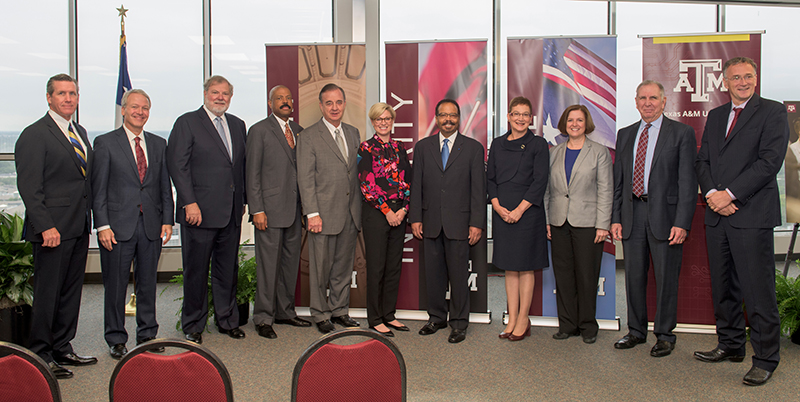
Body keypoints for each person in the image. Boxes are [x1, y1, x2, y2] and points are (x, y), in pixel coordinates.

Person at [694, 57, 789, 386]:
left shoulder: (773, 112)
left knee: (757, 290)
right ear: (726, 81)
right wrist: (712, 195)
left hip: (750, 214)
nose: (743, 82)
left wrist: (729, 195)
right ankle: (731, 344)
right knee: (723, 287)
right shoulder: (717, 115)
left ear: (756, 77)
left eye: (748, 76)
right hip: (717, 215)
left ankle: (765, 358)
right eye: (736, 77)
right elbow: (702, 159)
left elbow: (769, 162)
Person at [15, 73, 96, 379]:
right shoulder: (35, 134)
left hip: (77, 226)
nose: (68, 99)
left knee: (70, 292)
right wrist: (45, 226)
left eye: (73, 93)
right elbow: (30, 187)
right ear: (49, 97)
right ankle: (40, 353)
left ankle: (62, 346)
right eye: (61, 93)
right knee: (48, 294)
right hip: (52, 230)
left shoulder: (79, 131)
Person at [611, 80, 697, 357]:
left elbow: (687, 182)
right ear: (635, 102)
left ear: (664, 102)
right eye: (642, 98)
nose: (647, 102)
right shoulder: (625, 135)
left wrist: (682, 222)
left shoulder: (682, 133)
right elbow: (619, 182)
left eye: (653, 98)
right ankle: (636, 331)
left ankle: (664, 334)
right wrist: (615, 218)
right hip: (632, 214)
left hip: (666, 216)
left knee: (666, 277)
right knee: (633, 277)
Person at [91, 89, 174, 359]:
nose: (140, 112)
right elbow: (98, 188)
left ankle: (147, 333)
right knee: (115, 285)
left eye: (145, 108)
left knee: (148, 283)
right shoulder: (105, 143)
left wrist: (168, 221)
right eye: (135, 107)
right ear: (124, 109)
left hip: (150, 224)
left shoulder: (159, 143)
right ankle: (116, 338)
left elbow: (165, 186)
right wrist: (102, 225)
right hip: (117, 227)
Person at [167, 75, 247, 344]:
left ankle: (226, 320)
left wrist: (244, 202)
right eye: (215, 92)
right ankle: (193, 324)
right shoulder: (187, 122)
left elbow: (239, 167)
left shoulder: (237, 125)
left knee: (227, 271)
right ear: (205, 94)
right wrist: (189, 202)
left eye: (225, 93)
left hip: (231, 213)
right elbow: (178, 165)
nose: (220, 97)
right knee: (196, 271)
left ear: (231, 97)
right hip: (198, 213)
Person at [410, 99, 486, 344]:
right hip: (430, 221)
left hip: (460, 223)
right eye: (443, 115)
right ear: (436, 117)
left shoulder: (473, 148)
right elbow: (417, 186)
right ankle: (436, 318)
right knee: (433, 275)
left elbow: (478, 190)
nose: (448, 119)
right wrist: (416, 218)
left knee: (457, 274)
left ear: (459, 118)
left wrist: (477, 223)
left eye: (452, 115)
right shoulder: (423, 147)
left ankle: (459, 323)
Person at [245, 85, 311, 339]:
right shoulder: (259, 130)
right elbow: (252, 174)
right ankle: (263, 317)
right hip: (269, 212)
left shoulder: (298, 131)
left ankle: (285, 312)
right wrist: (257, 209)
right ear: (270, 103)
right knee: (268, 266)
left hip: (295, 211)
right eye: (279, 98)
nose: (285, 102)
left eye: (288, 98)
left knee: (289, 265)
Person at [297, 83, 362, 334]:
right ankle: (320, 313)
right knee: (320, 268)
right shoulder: (309, 136)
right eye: (329, 103)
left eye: (338, 102)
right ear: (321, 105)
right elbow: (305, 178)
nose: (334, 107)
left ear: (344, 104)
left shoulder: (353, 132)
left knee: (343, 267)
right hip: (321, 215)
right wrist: (311, 213)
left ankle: (339, 310)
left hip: (350, 212)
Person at [545, 104, 612, 344]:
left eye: (579, 120)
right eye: (571, 120)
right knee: (563, 276)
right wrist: (547, 221)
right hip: (558, 221)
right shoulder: (554, 152)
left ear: (587, 124)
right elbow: (547, 191)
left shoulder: (599, 152)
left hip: (588, 224)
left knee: (586, 276)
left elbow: (606, 190)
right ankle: (568, 324)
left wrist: (603, 224)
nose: (574, 124)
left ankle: (587, 326)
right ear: (564, 124)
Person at [488, 96, 549, 342]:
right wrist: (498, 207)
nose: (521, 118)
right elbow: (490, 179)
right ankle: (511, 317)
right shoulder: (498, 143)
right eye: (516, 114)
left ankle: (523, 318)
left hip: (528, 213)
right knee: (509, 267)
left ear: (530, 118)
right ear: (509, 116)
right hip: (502, 212)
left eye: (525, 114)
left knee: (525, 267)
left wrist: (519, 210)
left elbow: (540, 181)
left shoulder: (538, 144)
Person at [357, 102, 412, 337]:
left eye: (387, 118)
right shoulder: (366, 148)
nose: (383, 122)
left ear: (392, 121)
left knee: (393, 267)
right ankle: (375, 318)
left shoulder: (400, 148)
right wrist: (388, 211)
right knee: (377, 267)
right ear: (372, 122)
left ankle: (389, 314)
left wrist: (403, 210)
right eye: (379, 119)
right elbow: (366, 185)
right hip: (377, 215)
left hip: (399, 215)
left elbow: (408, 182)